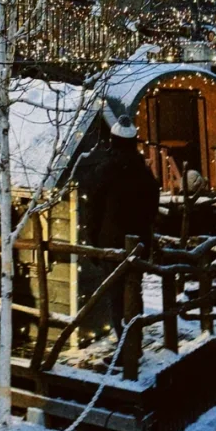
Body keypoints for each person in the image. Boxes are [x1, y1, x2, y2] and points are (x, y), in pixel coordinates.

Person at [76, 116, 160, 342]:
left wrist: (92, 240)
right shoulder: (143, 172)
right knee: (134, 292)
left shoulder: (105, 170)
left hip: (110, 243)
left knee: (115, 297)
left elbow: (92, 208)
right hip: (138, 242)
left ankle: (126, 348)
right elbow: (153, 206)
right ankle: (134, 341)